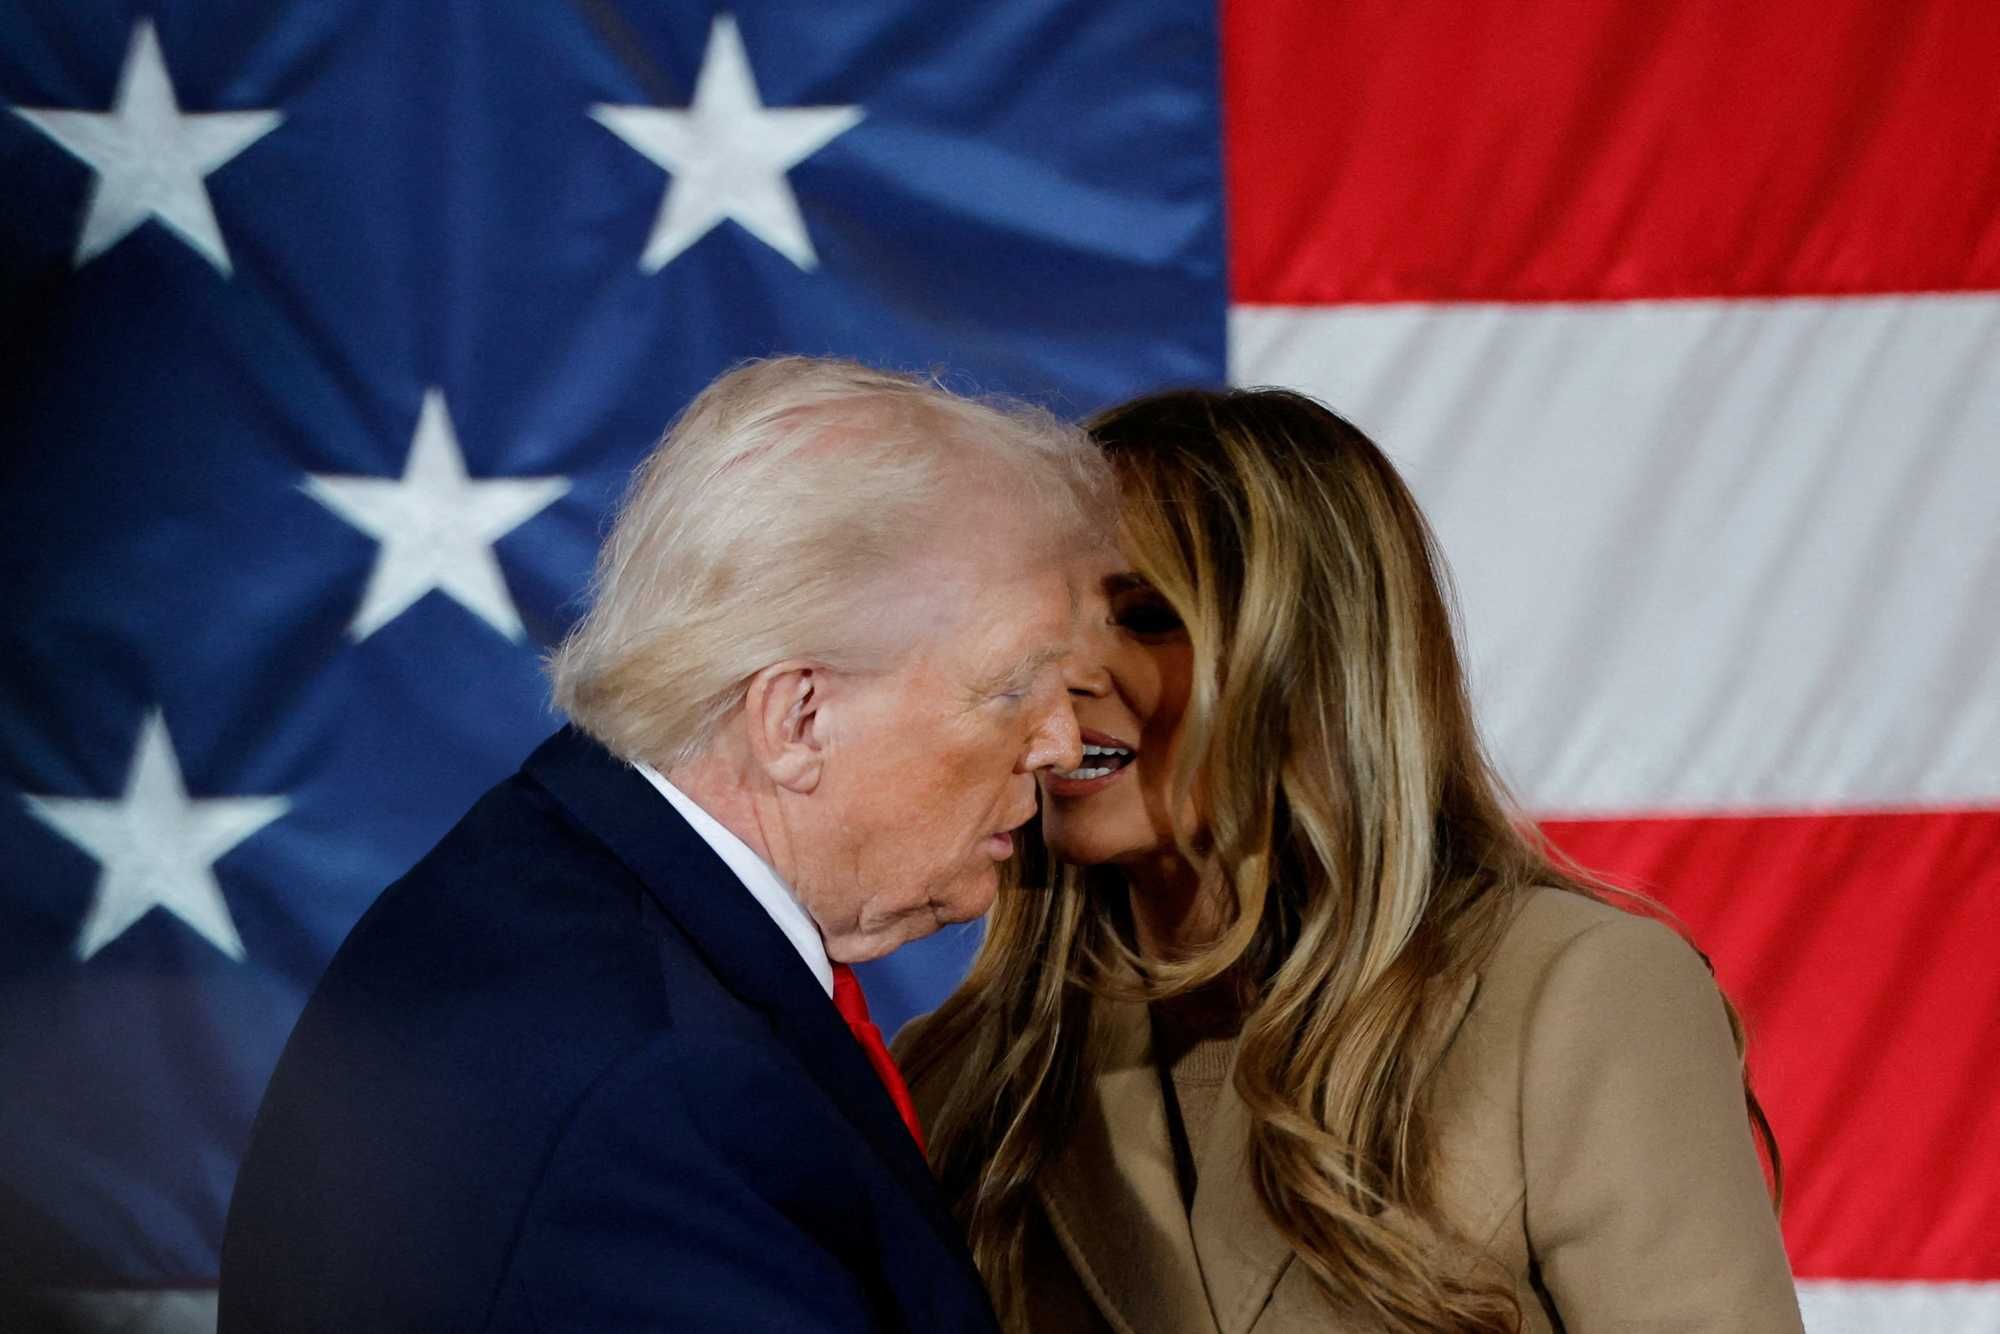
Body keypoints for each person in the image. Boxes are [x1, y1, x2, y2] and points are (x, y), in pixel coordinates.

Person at [219, 357, 1113, 1332]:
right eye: (1013, 687)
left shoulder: (542, 872)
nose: (1061, 743)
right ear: (798, 719)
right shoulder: (672, 1095)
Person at [897, 388, 1805, 1334]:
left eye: (1148, 615)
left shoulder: (1579, 994)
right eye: (1043, 633)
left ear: (1313, 664)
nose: (1067, 677)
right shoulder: (958, 1077)